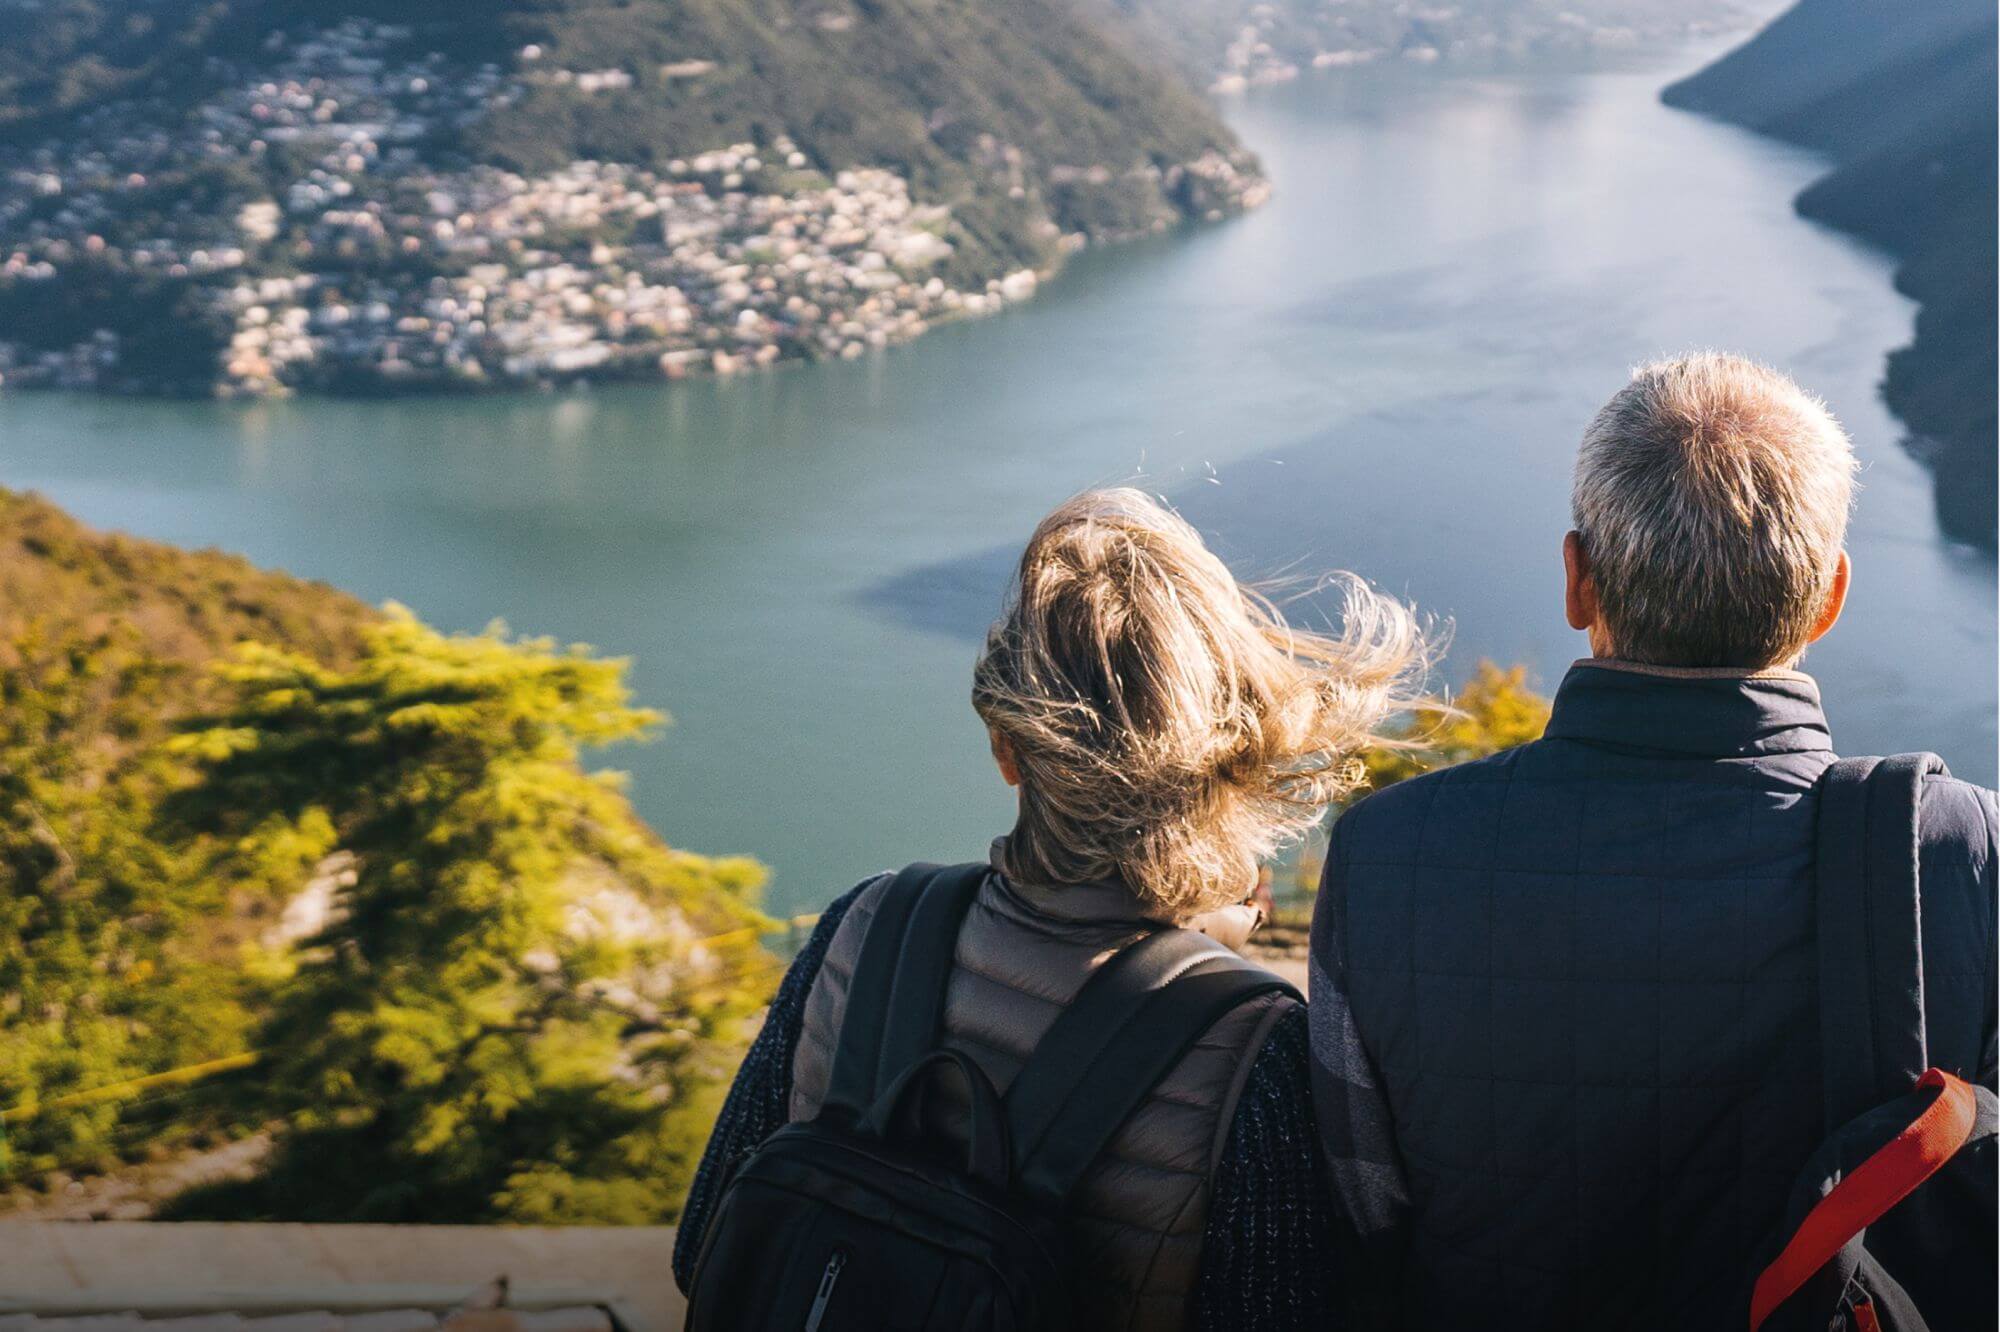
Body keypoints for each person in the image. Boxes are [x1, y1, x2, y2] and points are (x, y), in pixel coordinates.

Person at [1308, 352, 1998, 1330]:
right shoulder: (1964, 856)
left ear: (1575, 582)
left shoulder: (1387, 854)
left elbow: (1362, 1214)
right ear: (1829, 597)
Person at [675, 487, 1427, 1330]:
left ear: (1007, 749)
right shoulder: (1257, 1049)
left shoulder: (865, 926)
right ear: (1233, 753)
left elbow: (705, 1244)